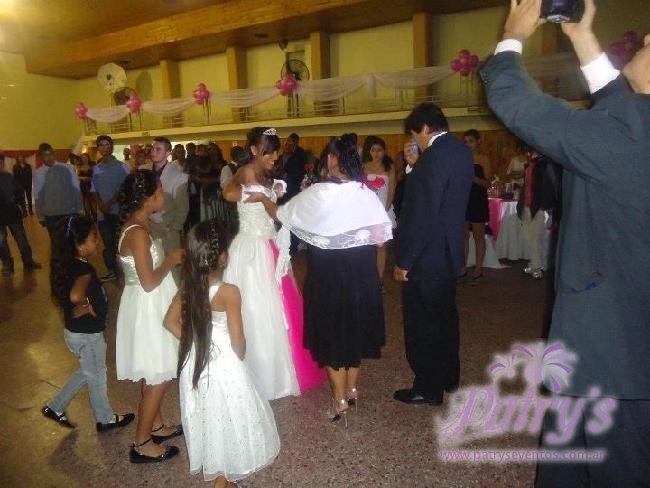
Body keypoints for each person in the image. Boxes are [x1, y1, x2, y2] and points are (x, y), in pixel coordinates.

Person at [480, 0, 650, 484]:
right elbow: (619, 104)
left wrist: (512, 36)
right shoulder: (634, 127)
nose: (646, 39)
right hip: (612, 346)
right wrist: (581, 36)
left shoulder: (631, 137)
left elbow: (519, 104)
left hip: (617, 362)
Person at [249, 135, 392, 425]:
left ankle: (340, 401)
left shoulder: (318, 193)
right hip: (361, 272)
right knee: (354, 330)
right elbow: (380, 240)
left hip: (329, 273)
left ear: (330, 159)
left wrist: (263, 198)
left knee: (333, 334)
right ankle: (352, 390)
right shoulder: (364, 193)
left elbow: (283, 214)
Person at [164, 220, 280, 487]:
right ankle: (223, 479)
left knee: (209, 415)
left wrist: (196, 341)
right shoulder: (229, 293)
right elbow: (238, 341)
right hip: (224, 362)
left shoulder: (188, 286)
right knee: (231, 415)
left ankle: (222, 474)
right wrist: (239, 353)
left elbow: (169, 321)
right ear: (223, 258)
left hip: (197, 361)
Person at [223, 127, 322, 400]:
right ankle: (258, 371)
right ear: (254, 150)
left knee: (279, 307)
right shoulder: (245, 171)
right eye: (268, 151)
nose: (274, 156)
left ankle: (280, 369)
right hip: (251, 248)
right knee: (256, 306)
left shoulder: (267, 173)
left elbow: (272, 208)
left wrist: (273, 190)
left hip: (270, 244)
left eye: (276, 151)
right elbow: (228, 193)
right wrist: (251, 195)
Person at [393, 102, 473, 406]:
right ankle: (449, 376)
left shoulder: (432, 158)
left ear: (425, 129)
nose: (416, 140)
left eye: (416, 135)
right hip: (449, 253)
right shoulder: (460, 151)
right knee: (445, 319)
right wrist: (415, 165)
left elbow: (421, 213)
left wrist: (405, 260)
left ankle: (427, 387)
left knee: (422, 324)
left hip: (426, 256)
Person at [115, 170, 184, 463]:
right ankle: (142, 442)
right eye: (160, 191)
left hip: (151, 302)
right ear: (148, 198)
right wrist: (170, 260)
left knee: (156, 369)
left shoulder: (141, 224)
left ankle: (155, 425)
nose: (163, 195)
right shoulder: (138, 233)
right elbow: (148, 281)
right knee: (159, 376)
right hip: (148, 305)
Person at [41, 215, 134, 432]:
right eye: (94, 238)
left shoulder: (69, 264)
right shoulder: (83, 270)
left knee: (88, 371)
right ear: (79, 244)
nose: (98, 241)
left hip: (77, 332)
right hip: (87, 335)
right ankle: (105, 419)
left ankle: (55, 407)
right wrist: (85, 305)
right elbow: (75, 296)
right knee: (97, 375)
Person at [149, 137, 189, 284]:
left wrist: (174, 228)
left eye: (158, 149)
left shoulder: (178, 175)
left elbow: (183, 207)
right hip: (148, 227)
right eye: (153, 148)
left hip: (167, 228)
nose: (153, 152)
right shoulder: (144, 171)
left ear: (168, 153)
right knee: (153, 264)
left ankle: (176, 294)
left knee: (173, 267)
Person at [91, 135, 130, 282]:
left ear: (111, 146)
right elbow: (94, 189)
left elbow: (125, 188)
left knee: (120, 243)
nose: (104, 148)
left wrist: (109, 203)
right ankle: (112, 271)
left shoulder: (122, 167)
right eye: (101, 145)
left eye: (107, 144)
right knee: (108, 244)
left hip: (118, 212)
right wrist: (101, 204)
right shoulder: (96, 169)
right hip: (102, 214)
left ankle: (125, 272)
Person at [516, 150, 559, 279]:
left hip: (538, 205)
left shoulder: (546, 164)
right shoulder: (531, 164)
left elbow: (551, 185)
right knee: (528, 236)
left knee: (534, 237)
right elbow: (526, 185)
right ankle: (534, 264)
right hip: (527, 204)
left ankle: (537, 267)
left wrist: (544, 205)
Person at [362, 135, 396, 290]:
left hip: (383, 211)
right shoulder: (363, 166)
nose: (376, 153)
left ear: (384, 151)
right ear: (369, 151)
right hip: (365, 213)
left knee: (381, 247)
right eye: (373, 150)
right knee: (366, 247)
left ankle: (379, 280)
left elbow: (391, 191)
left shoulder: (389, 166)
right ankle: (367, 279)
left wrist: (384, 211)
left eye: (379, 150)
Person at [0, 155, 42, 274]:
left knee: (21, 239)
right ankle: (8, 265)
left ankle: (28, 262)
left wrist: (23, 208)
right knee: (1, 242)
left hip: (13, 213)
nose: (1, 165)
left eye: (1, 163)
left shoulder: (9, 177)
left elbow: (19, 193)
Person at [461, 129, 493, 284]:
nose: (468, 144)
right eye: (465, 141)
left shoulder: (483, 158)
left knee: (478, 236)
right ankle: (462, 268)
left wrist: (473, 178)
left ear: (478, 141)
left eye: (471, 141)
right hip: (463, 200)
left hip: (478, 200)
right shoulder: (461, 158)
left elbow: (488, 183)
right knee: (463, 236)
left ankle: (478, 270)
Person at [33, 142, 83, 237]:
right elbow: (38, 195)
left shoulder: (68, 168)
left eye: (51, 154)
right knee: (56, 240)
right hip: (51, 214)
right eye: (45, 155)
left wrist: (80, 209)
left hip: (69, 211)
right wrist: (40, 216)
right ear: (41, 156)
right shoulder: (38, 173)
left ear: (54, 153)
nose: (49, 157)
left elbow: (76, 189)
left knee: (72, 238)